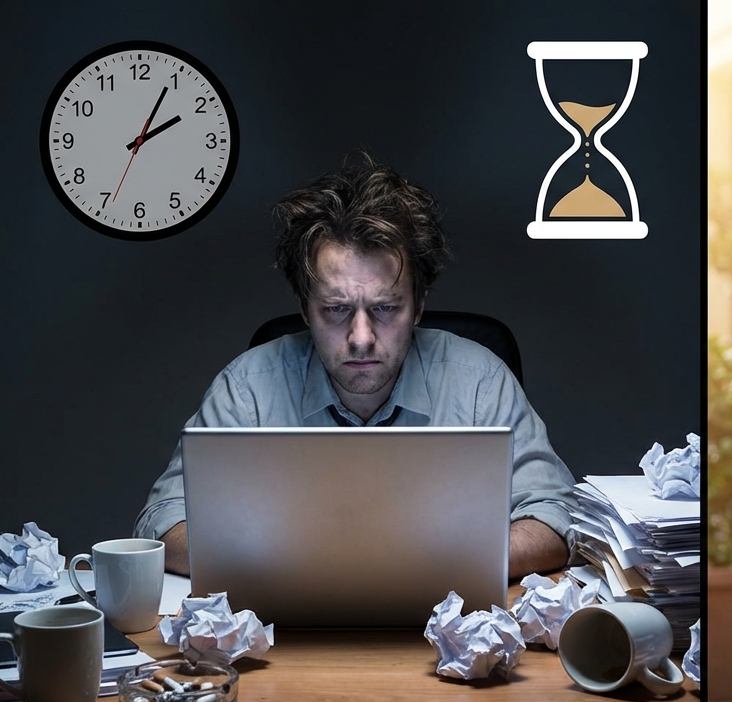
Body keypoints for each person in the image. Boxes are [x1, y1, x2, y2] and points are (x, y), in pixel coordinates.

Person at [134, 152, 577, 581]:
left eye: (385, 308)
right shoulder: (246, 389)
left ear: (418, 306)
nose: (361, 337)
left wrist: (423, 567)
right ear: (305, 309)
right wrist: (300, 564)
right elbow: (163, 522)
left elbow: (557, 518)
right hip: (285, 626)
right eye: (336, 309)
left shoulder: (481, 382)